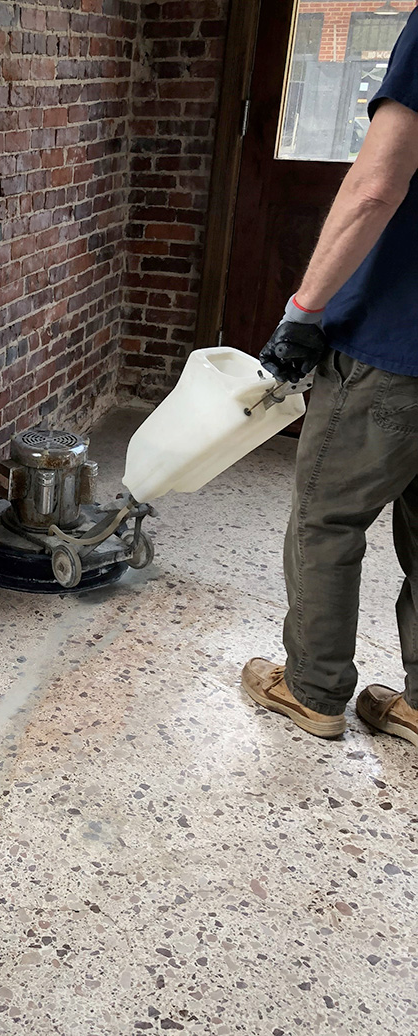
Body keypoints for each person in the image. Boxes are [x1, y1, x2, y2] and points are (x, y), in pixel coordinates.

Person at [241, 9, 418, 750]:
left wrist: (304, 311)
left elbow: (376, 185)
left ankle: (312, 691)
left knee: (325, 518)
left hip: (395, 342)